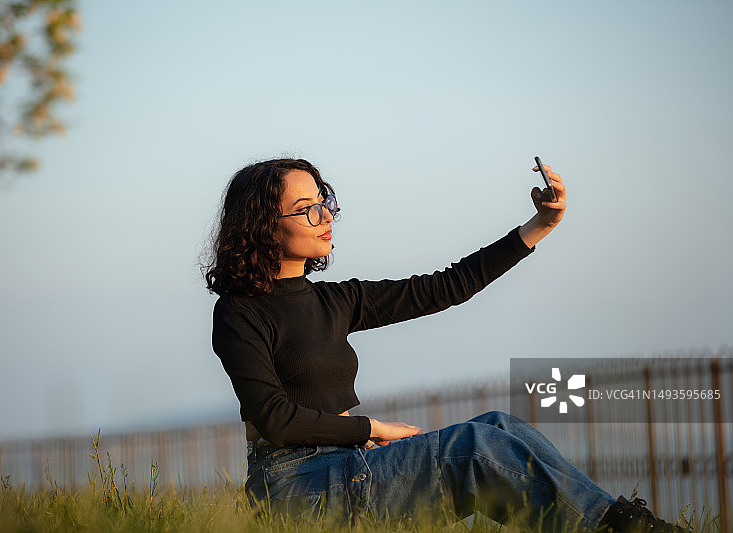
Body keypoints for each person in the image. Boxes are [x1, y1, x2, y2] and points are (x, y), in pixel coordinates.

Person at [203, 158, 685, 532]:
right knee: (475, 447)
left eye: (325, 200)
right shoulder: (238, 312)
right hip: (296, 485)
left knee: (502, 425)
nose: (325, 215)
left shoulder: (335, 299)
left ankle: (614, 521)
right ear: (264, 224)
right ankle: (617, 529)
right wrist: (375, 428)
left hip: (350, 464)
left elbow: (445, 286)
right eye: (308, 208)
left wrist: (538, 226)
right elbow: (276, 420)